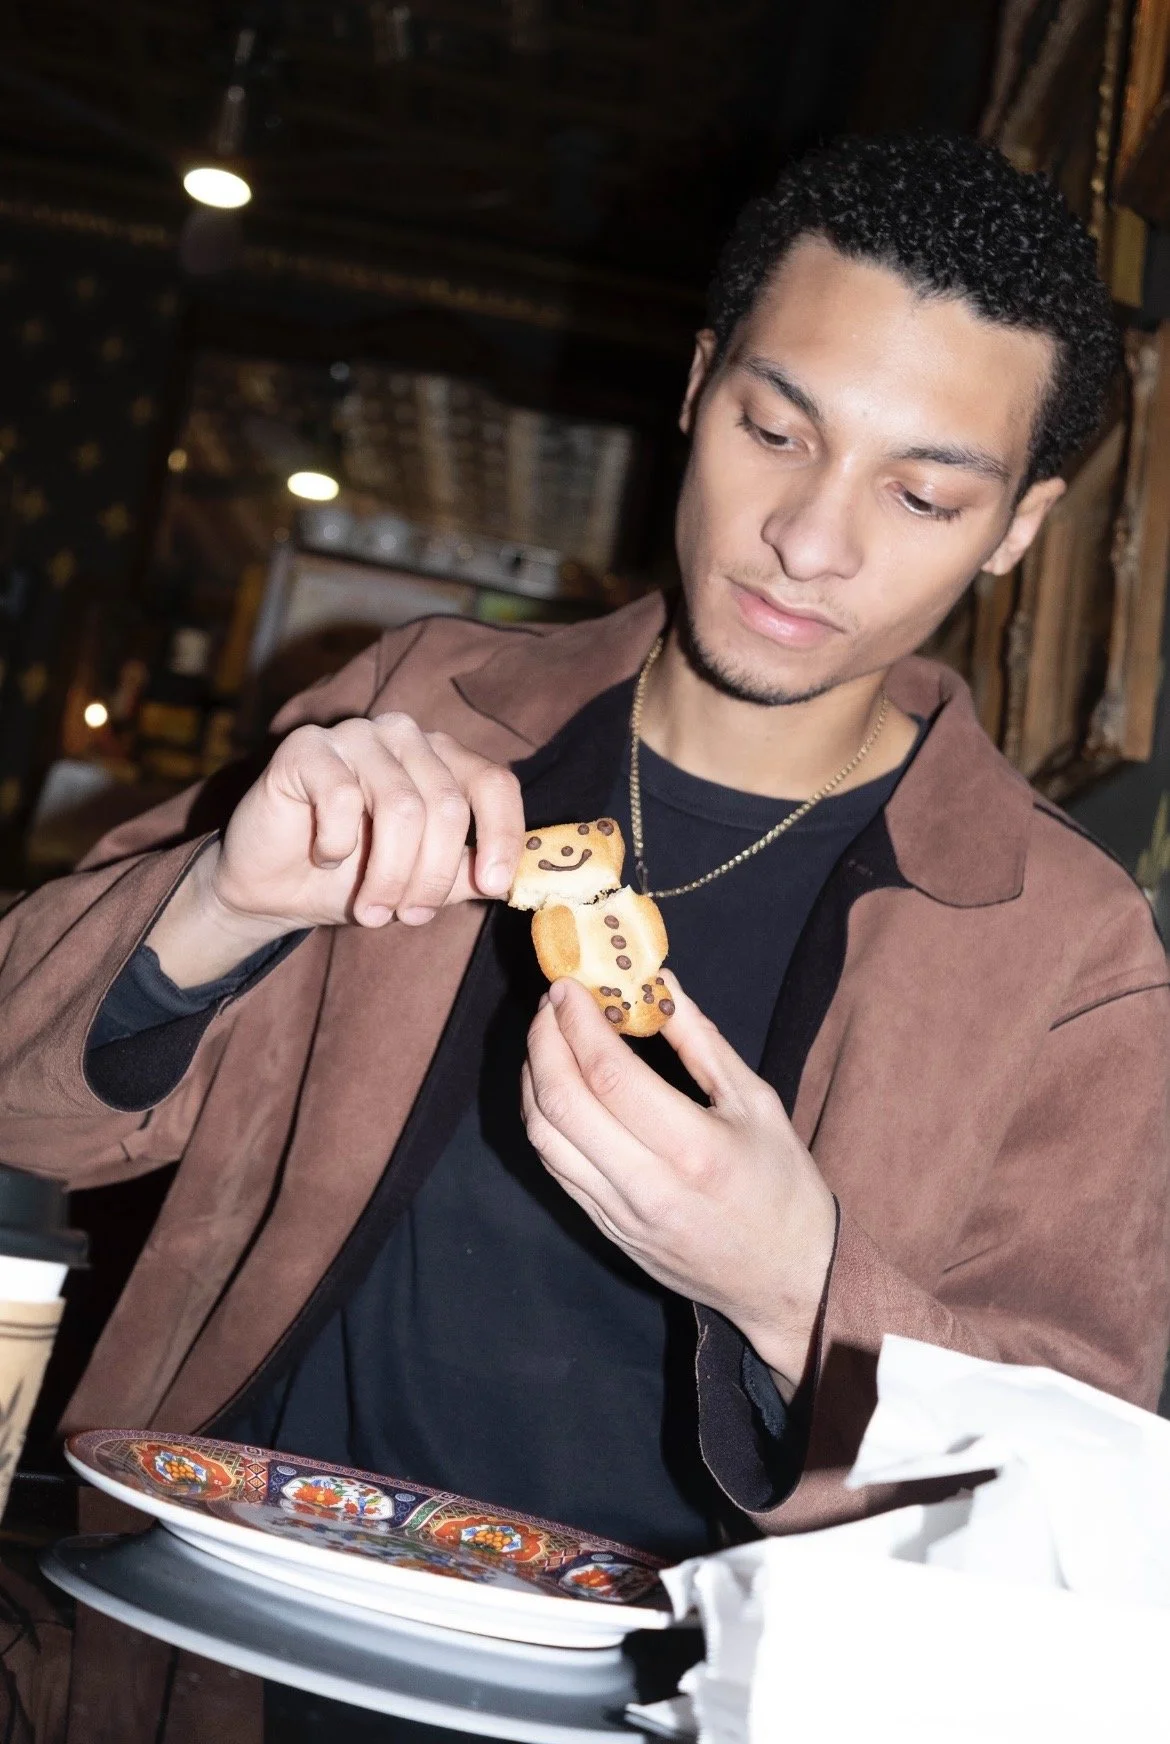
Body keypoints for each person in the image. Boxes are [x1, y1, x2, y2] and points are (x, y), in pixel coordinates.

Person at [2, 133, 1168, 1567]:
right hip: (223, 1633)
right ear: (694, 386)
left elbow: (1072, 1494)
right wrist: (216, 901)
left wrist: (795, 1282)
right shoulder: (419, 703)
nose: (810, 540)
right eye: (773, 430)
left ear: (1015, 530)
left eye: (922, 497)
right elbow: (25, 1111)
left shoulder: (1065, 945)